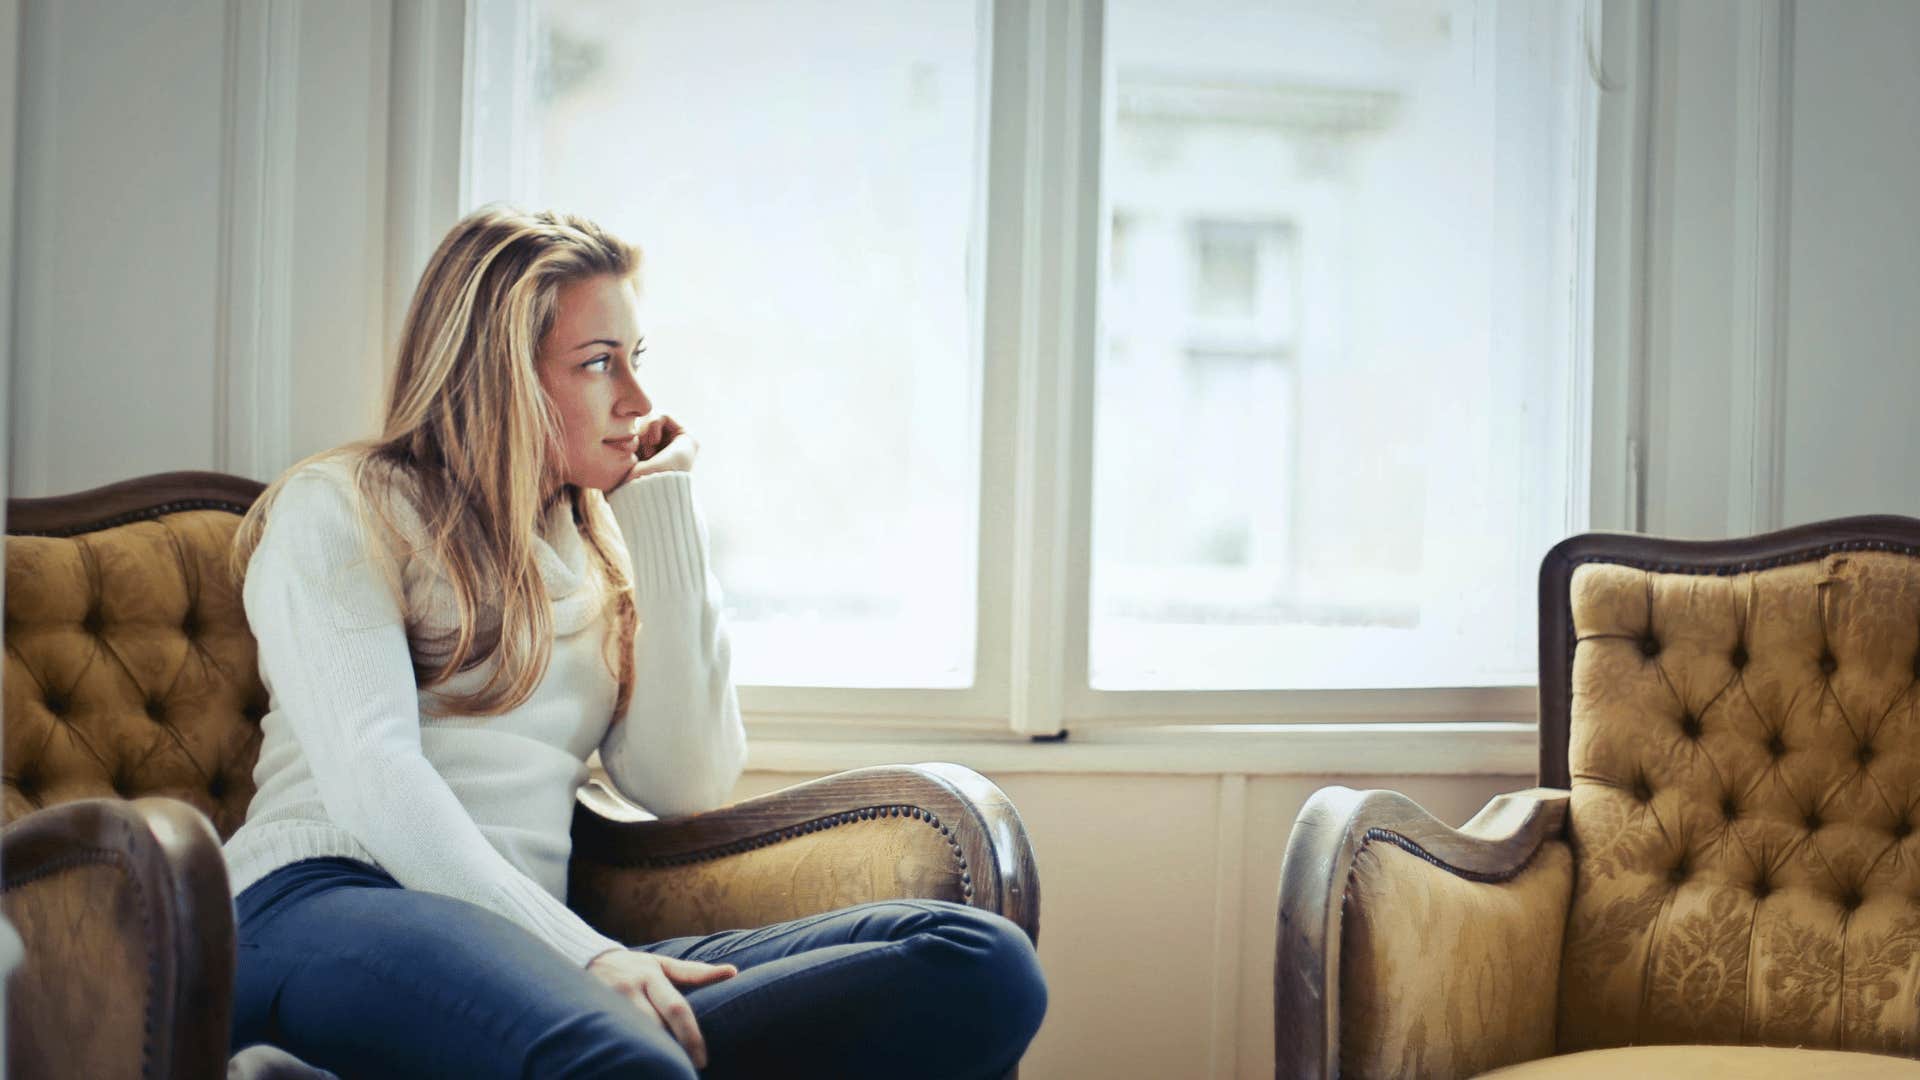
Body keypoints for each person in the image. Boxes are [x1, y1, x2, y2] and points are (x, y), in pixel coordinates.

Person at [221, 206, 1047, 1079]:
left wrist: (661, 513)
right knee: (625, 1060)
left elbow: (679, 779)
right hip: (318, 903)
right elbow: (373, 779)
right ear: (500, 378)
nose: (639, 401)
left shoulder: (592, 543)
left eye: (636, 359)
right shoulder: (342, 508)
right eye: (597, 364)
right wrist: (584, 957)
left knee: (979, 963)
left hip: (528, 948)